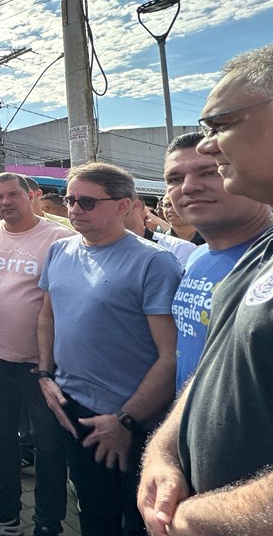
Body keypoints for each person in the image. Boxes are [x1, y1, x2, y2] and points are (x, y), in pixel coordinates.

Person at [138, 46, 273, 535]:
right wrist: (164, 450)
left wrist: (197, 518)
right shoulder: (248, 258)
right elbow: (211, 366)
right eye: (176, 177)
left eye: (222, 125)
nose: (210, 149)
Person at [37, 163, 181, 536]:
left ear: (123, 206)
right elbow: (47, 316)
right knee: (93, 511)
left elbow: (171, 356)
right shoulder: (59, 251)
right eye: (70, 201)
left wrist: (125, 420)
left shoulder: (154, 262)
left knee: (138, 522)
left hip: (132, 418)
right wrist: (44, 374)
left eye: (87, 202)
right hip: (73, 407)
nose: (73, 210)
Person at [0, 172, 71, 536]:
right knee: (1, 439)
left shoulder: (60, 239)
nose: (4, 202)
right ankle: (5, 515)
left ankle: (48, 523)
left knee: (49, 448)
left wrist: (50, 362)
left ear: (32, 195)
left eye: (12, 194)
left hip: (41, 366)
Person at [163, 132, 272, 391]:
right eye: (174, 179)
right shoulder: (197, 256)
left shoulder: (267, 261)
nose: (189, 187)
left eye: (209, 172)